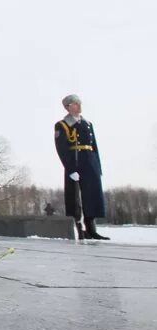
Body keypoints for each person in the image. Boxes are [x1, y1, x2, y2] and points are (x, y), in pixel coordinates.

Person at [54, 94, 108, 240]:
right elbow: (62, 148)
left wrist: (98, 166)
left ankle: (91, 229)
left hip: (90, 161)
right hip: (75, 162)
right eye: (75, 103)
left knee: (92, 196)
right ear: (68, 107)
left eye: (79, 103)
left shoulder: (88, 123)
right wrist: (70, 169)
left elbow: (94, 146)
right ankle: (80, 229)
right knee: (75, 198)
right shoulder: (63, 125)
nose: (79, 105)